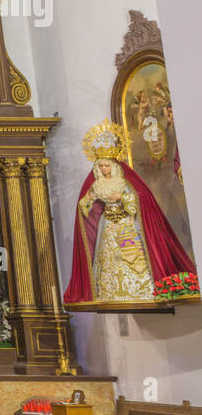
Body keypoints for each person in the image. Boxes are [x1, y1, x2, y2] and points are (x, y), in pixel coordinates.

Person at [64, 121, 195, 302]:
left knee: (133, 255)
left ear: (114, 166)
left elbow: (139, 199)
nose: (104, 169)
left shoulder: (125, 181)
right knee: (110, 259)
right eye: (101, 166)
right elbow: (85, 205)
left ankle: (141, 289)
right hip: (109, 225)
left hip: (127, 224)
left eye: (107, 166)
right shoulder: (97, 184)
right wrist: (86, 203)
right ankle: (110, 292)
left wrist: (123, 199)